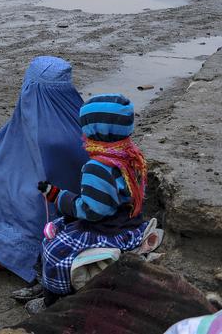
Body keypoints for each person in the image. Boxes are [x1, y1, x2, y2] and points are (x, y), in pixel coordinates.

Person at [0, 56, 89, 285]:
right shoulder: (79, 116)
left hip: (51, 202)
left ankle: (12, 253)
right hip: (77, 200)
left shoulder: (43, 128)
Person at [37, 94, 148, 305]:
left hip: (108, 230)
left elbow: (93, 211)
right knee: (62, 229)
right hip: (131, 222)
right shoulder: (132, 155)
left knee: (54, 250)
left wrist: (57, 195)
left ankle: (54, 299)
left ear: (94, 129)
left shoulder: (98, 166)